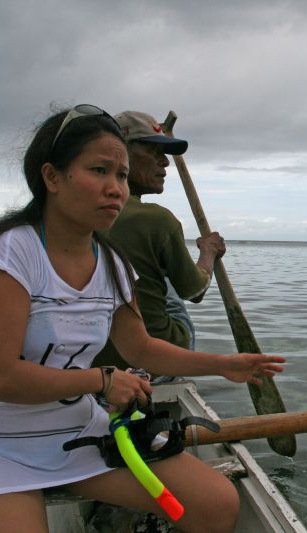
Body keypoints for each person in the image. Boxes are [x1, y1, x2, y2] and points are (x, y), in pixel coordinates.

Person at [0, 104, 286, 533]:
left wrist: (224, 365)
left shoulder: (112, 263)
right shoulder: (12, 253)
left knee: (215, 502)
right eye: (99, 170)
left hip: (76, 434)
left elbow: (140, 347)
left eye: (120, 175)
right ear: (52, 177)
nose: (115, 188)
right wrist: (101, 381)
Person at [92, 111, 223, 374]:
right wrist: (208, 252)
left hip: (89, 360)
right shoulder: (157, 220)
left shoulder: (74, 212)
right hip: (157, 359)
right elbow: (195, 293)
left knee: (147, 267)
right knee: (166, 276)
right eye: (154, 151)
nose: (165, 163)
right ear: (120, 154)